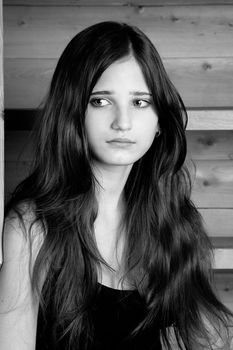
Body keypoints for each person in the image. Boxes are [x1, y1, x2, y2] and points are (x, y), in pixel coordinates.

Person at [0, 21, 232, 350]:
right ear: (72, 112)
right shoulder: (30, 226)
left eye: (139, 102)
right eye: (100, 101)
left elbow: (204, 341)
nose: (123, 122)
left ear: (158, 123)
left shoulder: (172, 220)